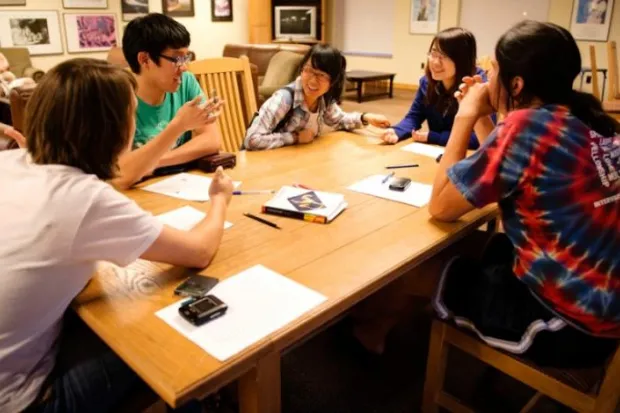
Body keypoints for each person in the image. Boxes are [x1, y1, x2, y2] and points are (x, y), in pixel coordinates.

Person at [0, 58, 234, 412]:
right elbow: (199, 251)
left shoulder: (11, 163)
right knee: (166, 335)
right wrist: (219, 200)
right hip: (25, 401)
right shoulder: (85, 198)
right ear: (111, 127)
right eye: (131, 113)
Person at [429, 20, 619, 367]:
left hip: (567, 327)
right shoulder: (585, 118)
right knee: (496, 247)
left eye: (494, 71)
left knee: (440, 266)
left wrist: (466, 115)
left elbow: (441, 205)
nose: (488, 80)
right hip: (603, 304)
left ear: (516, 84)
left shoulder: (527, 127)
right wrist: (493, 117)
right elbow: (501, 171)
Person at [116, 13, 224, 189]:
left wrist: (150, 162)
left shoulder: (185, 82)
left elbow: (211, 140)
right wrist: (179, 125)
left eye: (186, 57)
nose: (184, 67)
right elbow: (121, 174)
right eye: (177, 59)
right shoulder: (119, 97)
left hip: (179, 186)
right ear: (145, 60)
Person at [244, 44, 390, 151]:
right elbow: (252, 140)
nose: (313, 81)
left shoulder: (323, 98)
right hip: (268, 166)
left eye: (321, 75)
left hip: (296, 163)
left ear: (333, 81)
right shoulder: (283, 99)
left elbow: (339, 120)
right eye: (308, 71)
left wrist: (366, 117)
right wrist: (295, 137)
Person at [381, 27, 494, 150]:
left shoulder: (478, 86)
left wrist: (434, 137)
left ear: (462, 59)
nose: (435, 62)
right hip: (437, 152)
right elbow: (414, 117)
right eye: (433, 53)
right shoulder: (427, 83)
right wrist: (397, 131)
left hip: (467, 155)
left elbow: (482, 138)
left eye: (444, 56)